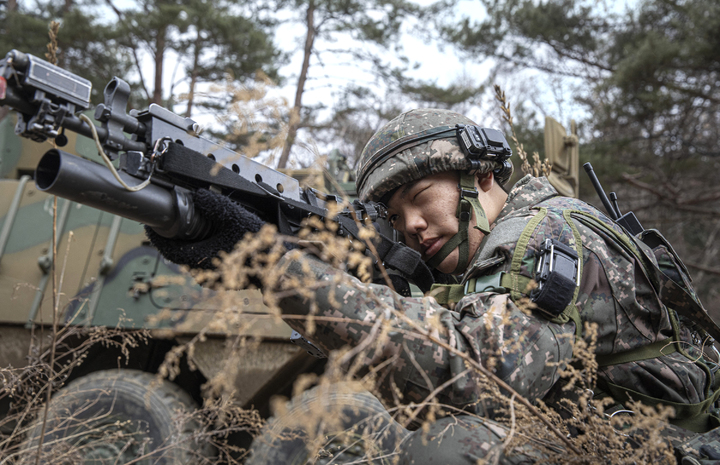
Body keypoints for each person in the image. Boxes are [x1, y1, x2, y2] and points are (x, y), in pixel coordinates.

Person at [147, 108, 720, 463]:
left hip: (676, 448)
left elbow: (475, 376)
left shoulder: (544, 233)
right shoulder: (493, 257)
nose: (412, 227)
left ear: (482, 176)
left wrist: (275, 266)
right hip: (621, 434)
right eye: (394, 219)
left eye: (421, 200)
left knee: (457, 447)